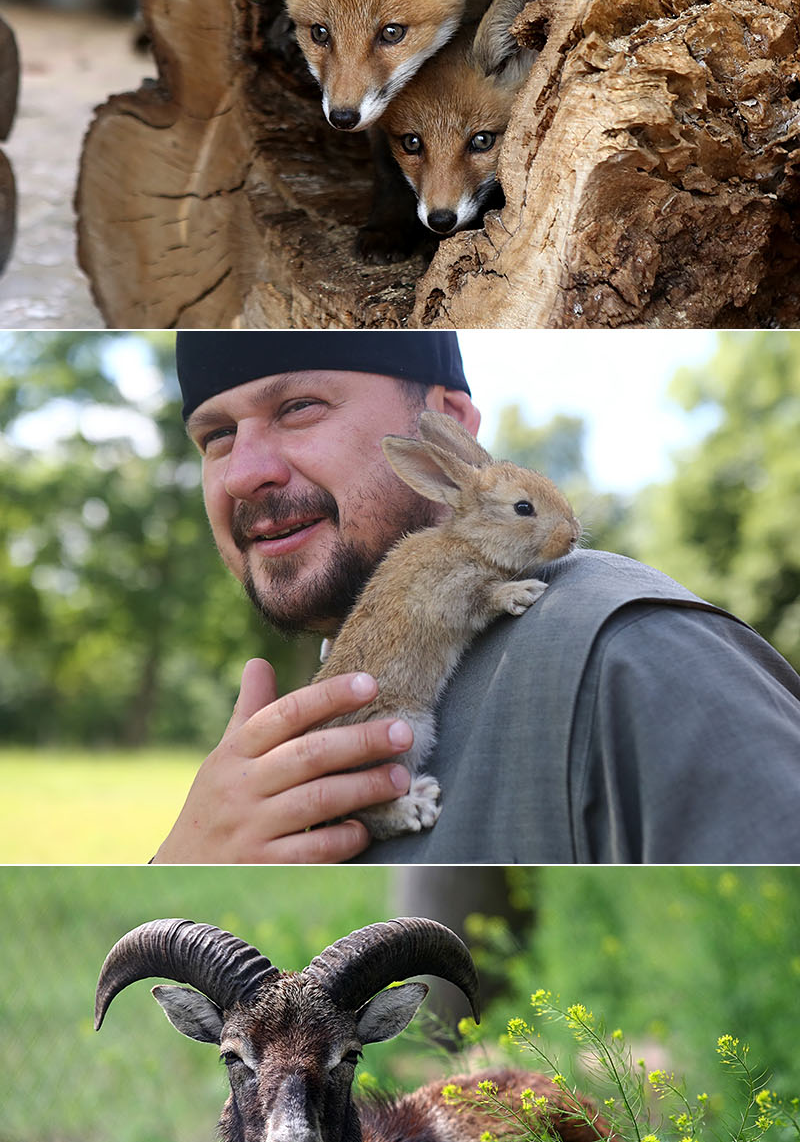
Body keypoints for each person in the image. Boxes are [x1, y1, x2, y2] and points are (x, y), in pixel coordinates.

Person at [152, 336, 800, 870]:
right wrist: (176, 868)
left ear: (449, 424)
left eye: (298, 406)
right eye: (214, 436)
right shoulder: (238, 782)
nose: (242, 472)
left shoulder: (632, 652)